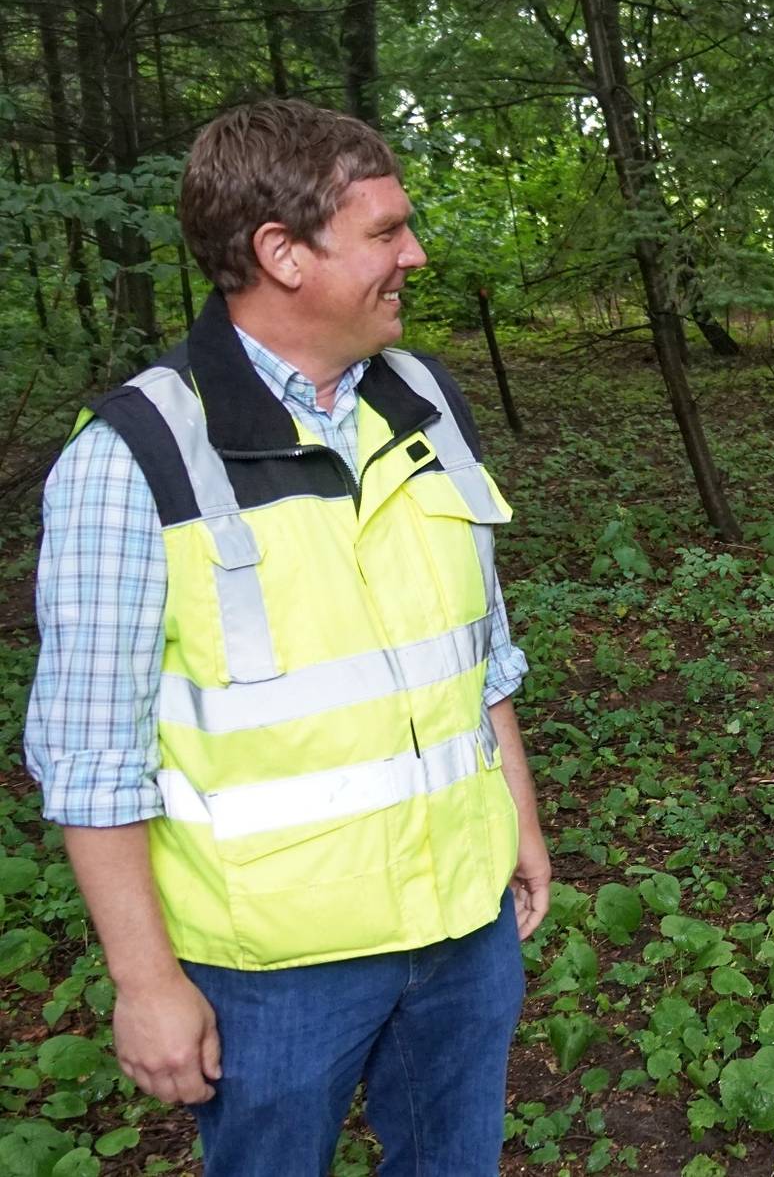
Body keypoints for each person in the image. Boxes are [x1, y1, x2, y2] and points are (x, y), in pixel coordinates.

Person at [24, 99, 551, 1175]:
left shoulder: (424, 399)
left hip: (462, 928)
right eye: (385, 231)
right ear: (281, 253)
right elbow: (89, 756)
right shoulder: (134, 457)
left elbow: (477, 650)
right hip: (273, 972)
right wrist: (145, 981)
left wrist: (518, 823)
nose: (415, 252)